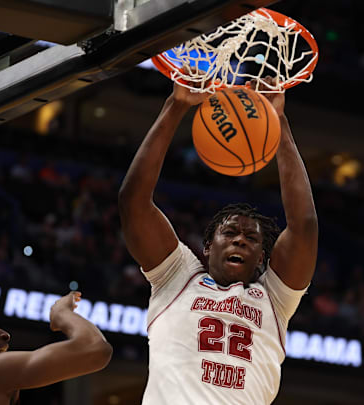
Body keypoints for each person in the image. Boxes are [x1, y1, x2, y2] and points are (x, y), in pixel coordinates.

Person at [118, 77, 318, 404]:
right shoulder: (178, 277)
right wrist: (176, 105)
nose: (239, 240)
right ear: (207, 247)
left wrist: (278, 122)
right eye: (230, 233)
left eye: (250, 238)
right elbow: (133, 202)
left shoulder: (274, 299)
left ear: (262, 258)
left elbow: (304, 225)